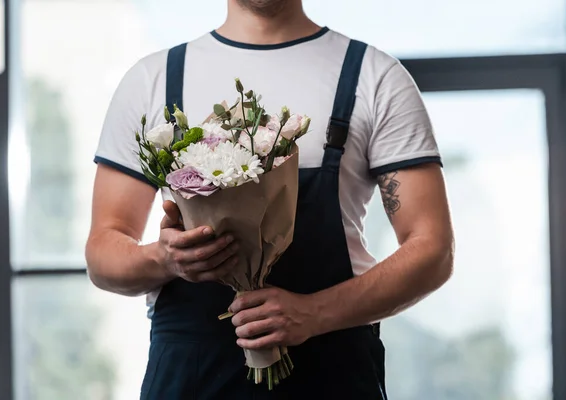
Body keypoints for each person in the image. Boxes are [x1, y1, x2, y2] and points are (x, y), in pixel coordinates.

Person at [86, 0, 455, 398]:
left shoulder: (374, 77)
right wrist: (164, 258)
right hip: (189, 375)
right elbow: (103, 253)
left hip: (334, 372)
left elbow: (432, 249)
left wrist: (314, 313)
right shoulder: (153, 80)